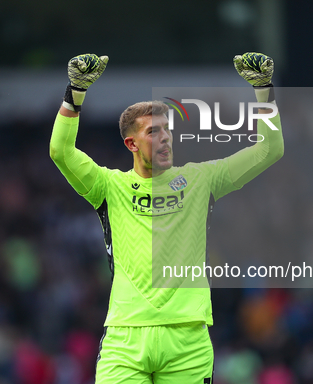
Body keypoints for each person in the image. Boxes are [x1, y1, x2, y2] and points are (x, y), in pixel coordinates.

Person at [50, 53, 283, 384]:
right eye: (154, 131)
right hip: (125, 339)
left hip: (187, 340)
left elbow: (268, 149)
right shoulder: (108, 186)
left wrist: (264, 91)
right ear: (131, 142)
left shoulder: (201, 180)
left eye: (168, 130)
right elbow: (61, 151)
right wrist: (75, 93)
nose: (165, 138)